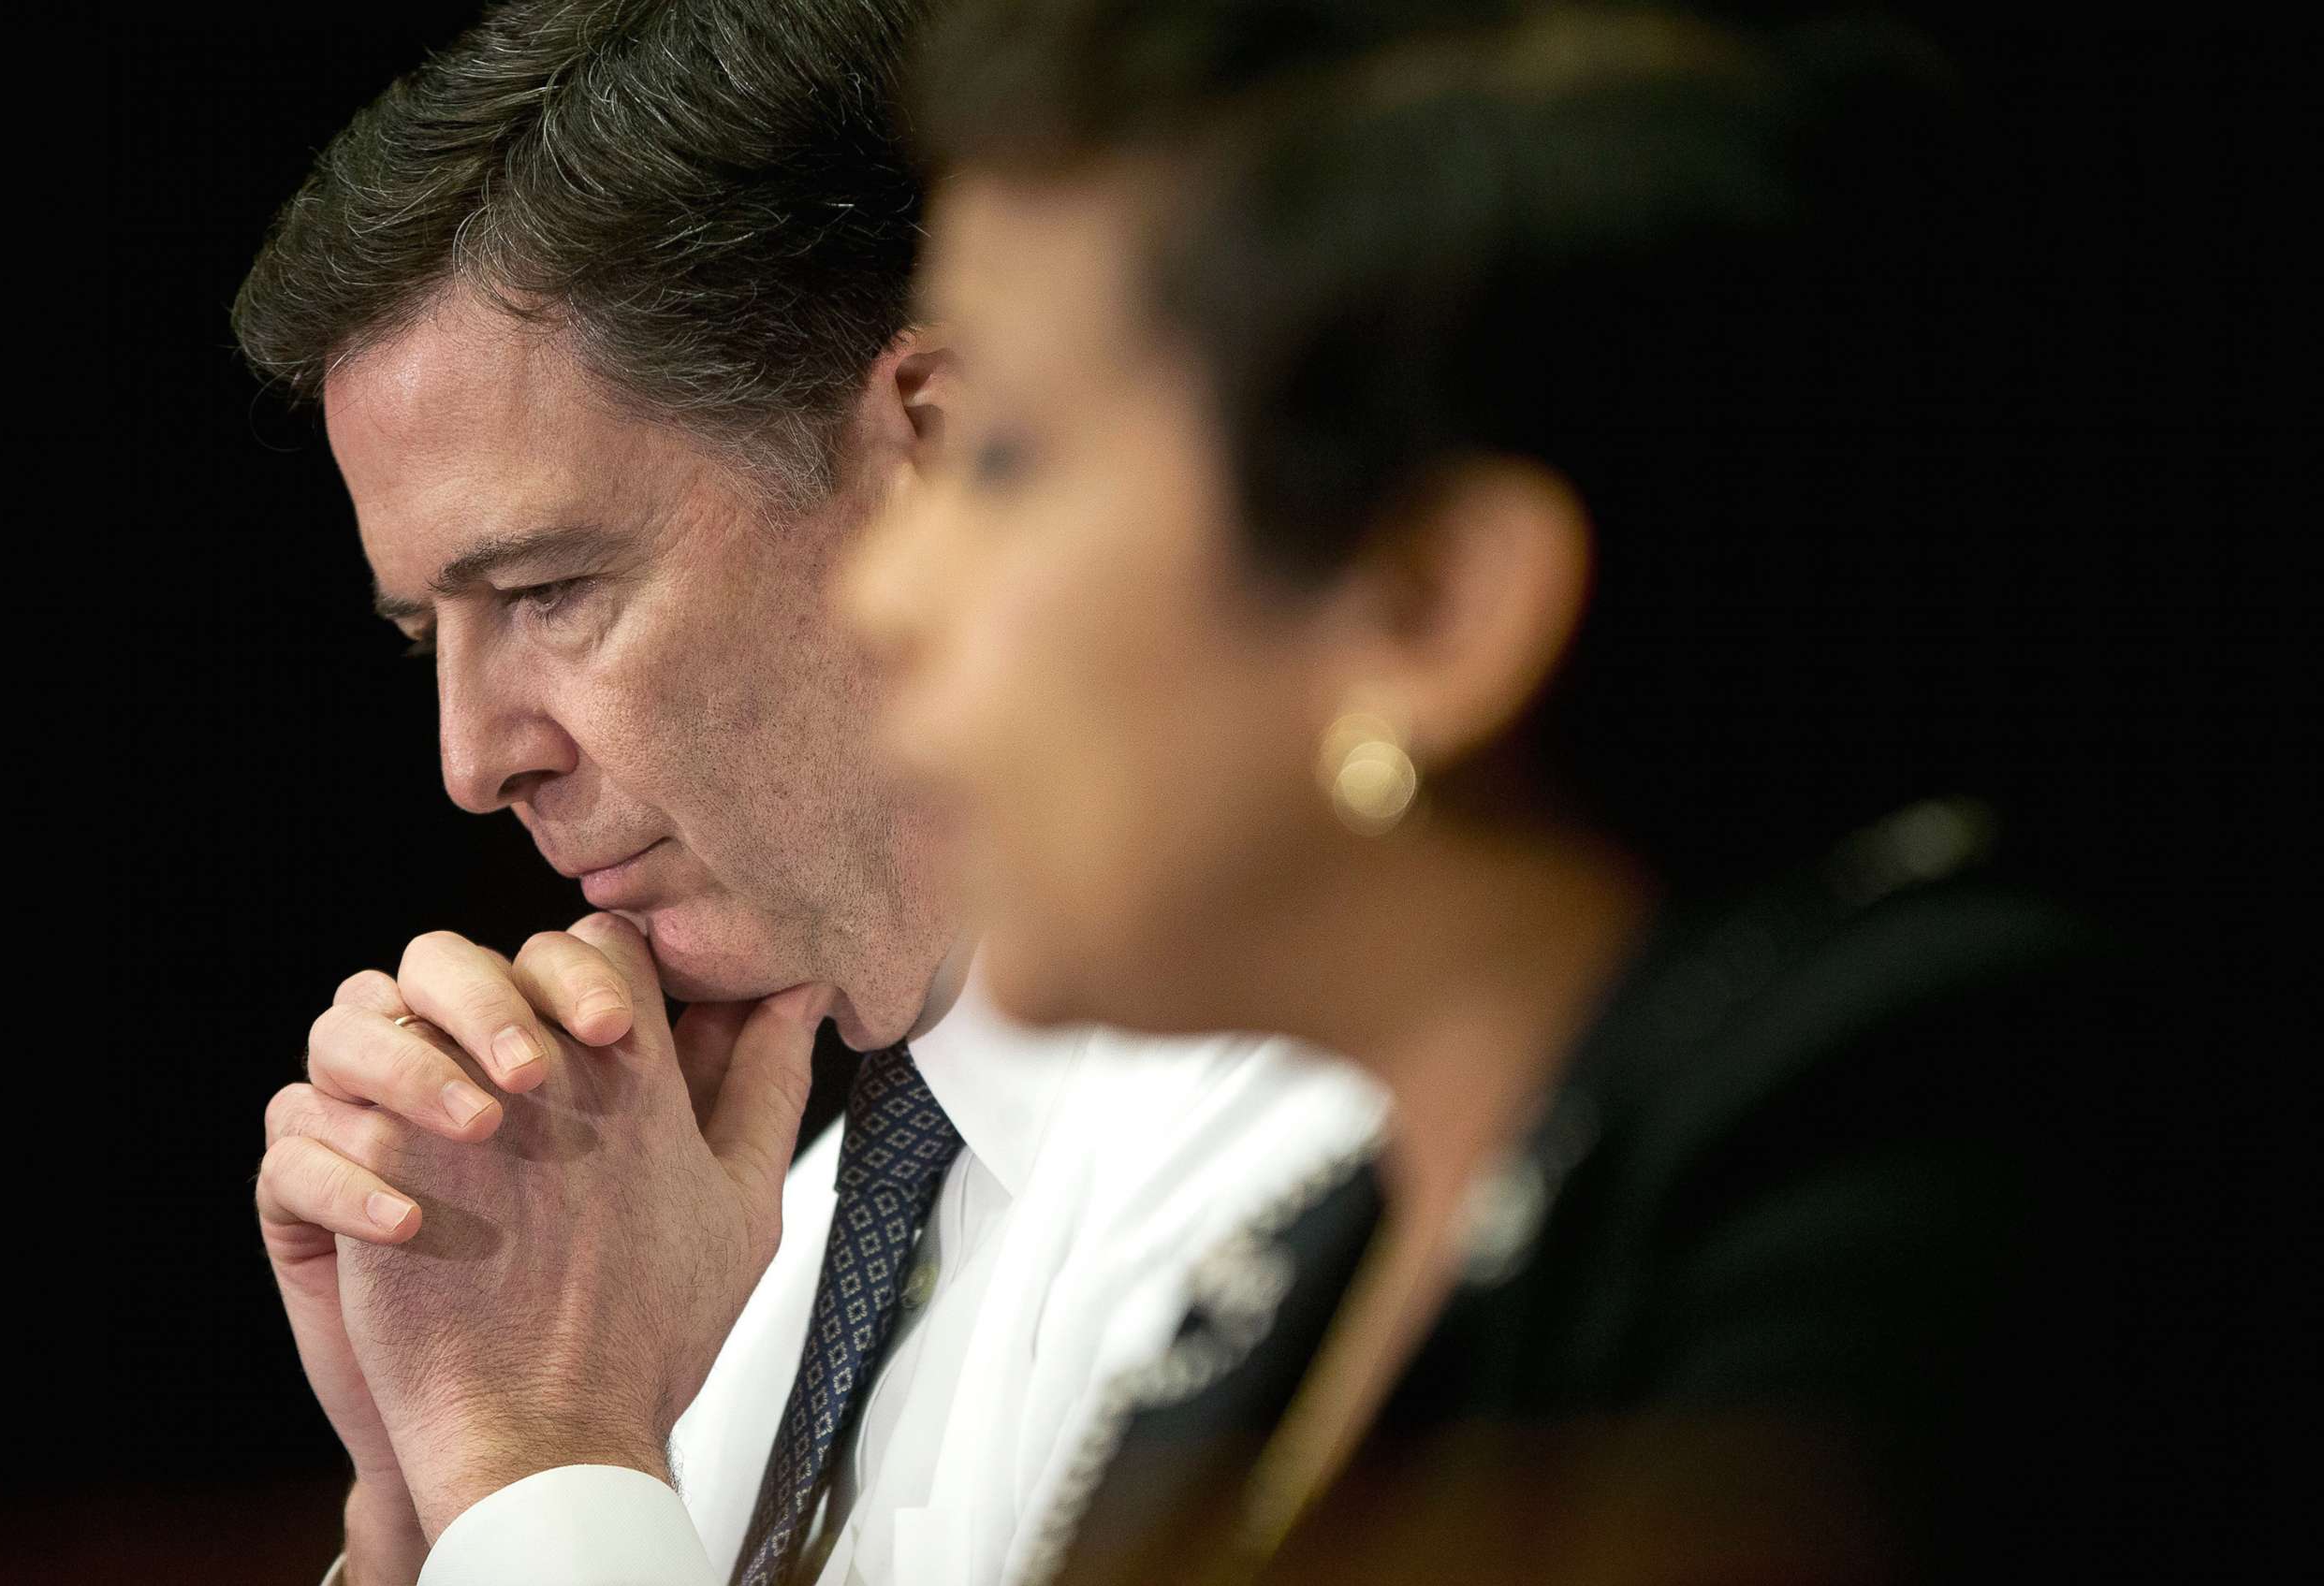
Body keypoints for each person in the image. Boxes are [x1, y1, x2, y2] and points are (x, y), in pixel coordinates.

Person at [846, 1, 2185, 1578]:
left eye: (1001, 459)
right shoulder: (1300, 1279)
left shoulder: (1941, 1137)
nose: (883, 595)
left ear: (1432, 606)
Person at [228, 3, 1381, 1583]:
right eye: (431, 632)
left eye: (552, 589)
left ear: (936, 446)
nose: (474, 759)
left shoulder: (1331, 1162)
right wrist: (426, 1507)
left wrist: (537, 1459)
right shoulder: (692, 1284)